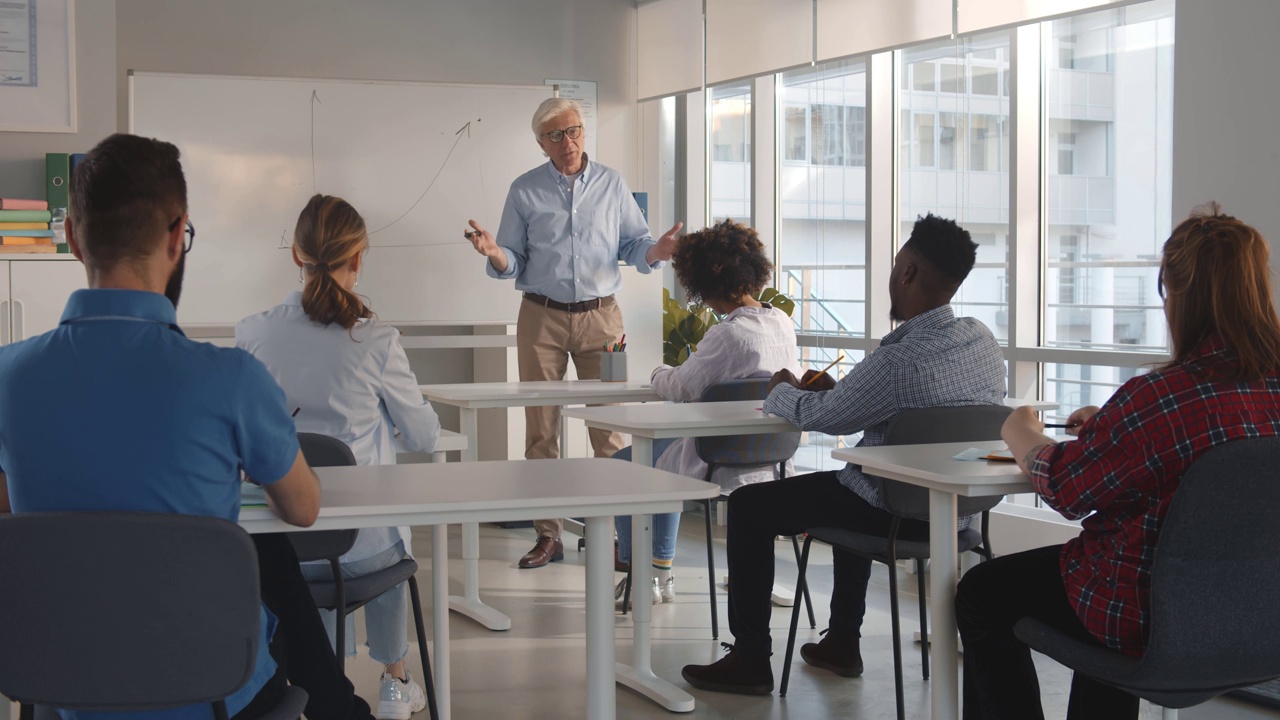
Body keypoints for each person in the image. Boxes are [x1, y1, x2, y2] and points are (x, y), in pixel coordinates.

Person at [0, 133, 377, 720]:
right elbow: (303, 509)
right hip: (212, 692)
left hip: (60, 688)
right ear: (178, 236)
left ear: (72, 237)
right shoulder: (232, 379)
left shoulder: (7, 375)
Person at [956, 205, 1280, 720]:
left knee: (981, 591)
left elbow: (1066, 490)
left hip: (1145, 617)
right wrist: (1112, 423)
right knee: (1102, 596)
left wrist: (1023, 433)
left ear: (1176, 295)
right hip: (1258, 620)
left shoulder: (1159, 397)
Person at [681, 213, 1007, 695]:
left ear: (908, 272)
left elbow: (828, 419)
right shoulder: (982, 340)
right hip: (957, 512)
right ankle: (841, 642)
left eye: (897, 263)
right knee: (858, 478)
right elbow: (903, 407)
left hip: (893, 512)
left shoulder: (900, 359)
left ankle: (750, 659)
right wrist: (848, 394)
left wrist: (781, 392)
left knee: (754, 506)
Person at [237, 194, 441, 719]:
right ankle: (395, 681)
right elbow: (422, 437)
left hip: (277, 547)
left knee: (319, 554)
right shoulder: (375, 339)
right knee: (388, 531)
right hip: (361, 551)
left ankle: (312, 678)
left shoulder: (253, 332)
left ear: (295, 257)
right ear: (358, 259)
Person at [464, 98, 684, 569]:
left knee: (612, 428)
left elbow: (634, 244)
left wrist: (656, 250)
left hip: (604, 320)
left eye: (575, 130)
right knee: (541, 430)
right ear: (540, 143)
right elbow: (512, 259)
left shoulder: (611, 183)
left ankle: (617, 535)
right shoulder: (524, 190)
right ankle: (549, 534)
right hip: (540, 319)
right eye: (556, 135)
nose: (569, 142)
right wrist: (494, 254)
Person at [611, 220, 800, 607]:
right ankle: (660, 573)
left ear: (704, 284)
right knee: (658, 459)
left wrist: (657, 372)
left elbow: (681, 387)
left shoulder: (728, 334)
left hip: (719, 458)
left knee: (628, 465)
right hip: (770, 457)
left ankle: (641, 577)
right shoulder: (781, 322)